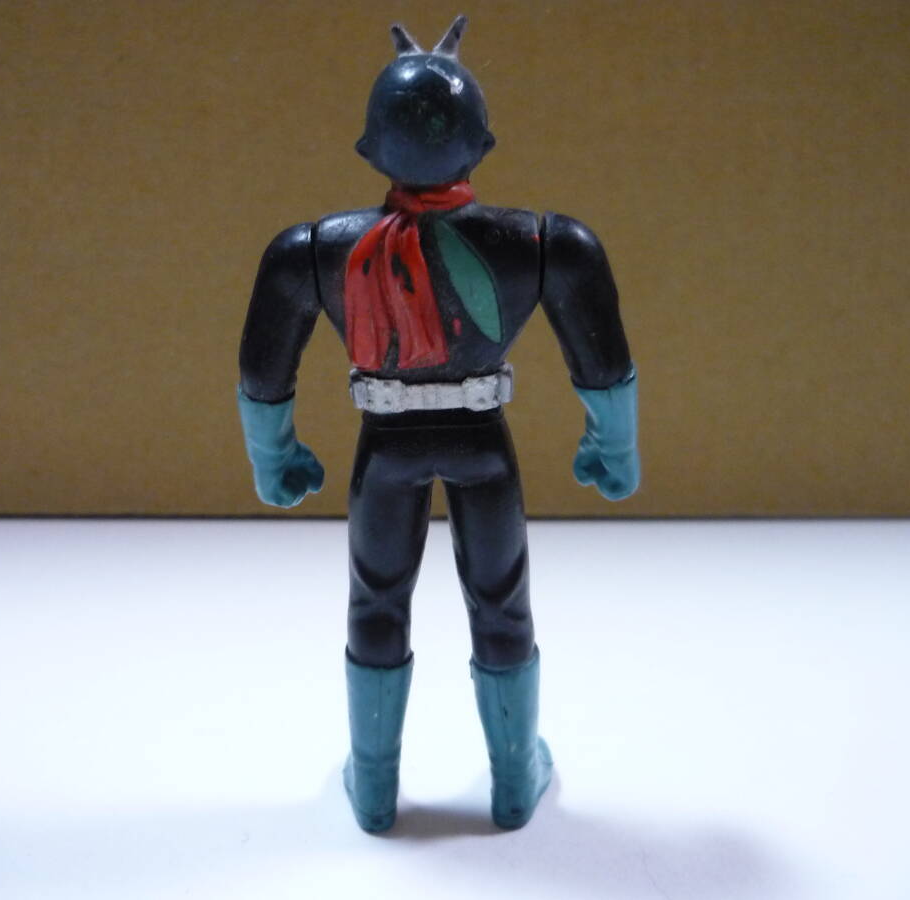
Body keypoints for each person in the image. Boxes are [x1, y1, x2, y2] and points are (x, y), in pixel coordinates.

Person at [237, 15, 639, 832]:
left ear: (370, 147)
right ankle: (513, 778)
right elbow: (602, 363)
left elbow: (263, 372)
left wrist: (272, 457)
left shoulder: (313, 251)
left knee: (375, 602)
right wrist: (614, 445)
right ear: (481, 142)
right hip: (482, 445)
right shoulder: (544, 245)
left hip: (384, 452)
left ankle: (375, 787)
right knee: (503, 604)